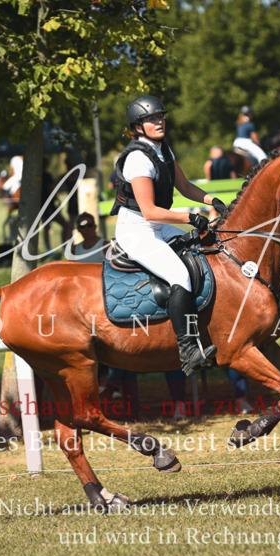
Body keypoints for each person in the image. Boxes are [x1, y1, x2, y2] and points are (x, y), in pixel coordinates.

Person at [112, 95, 226, 376]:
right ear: (137, 126)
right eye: (152, 119)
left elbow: (185, 187)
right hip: (136, 231)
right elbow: (150, 211)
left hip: (157, 226)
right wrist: (190, 218)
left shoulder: (163, 150)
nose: (160, 121)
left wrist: (212, 200)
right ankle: (188, 350)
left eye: (161, 116)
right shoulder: (138, 159)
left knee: (204, 248)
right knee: (180, 276)